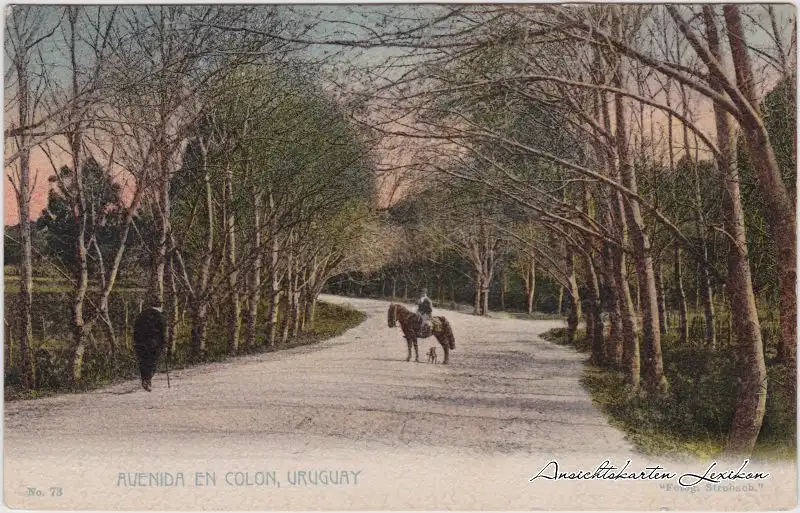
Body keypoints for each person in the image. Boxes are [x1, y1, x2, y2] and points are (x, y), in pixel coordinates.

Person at [133, 303, 167, 392]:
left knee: (143, 361)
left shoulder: (141, 315)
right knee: (152, 362)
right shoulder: (160, 316)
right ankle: (148, 380)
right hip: (154, 343)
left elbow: (135, 328)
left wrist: (136, 340)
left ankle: (145, 379)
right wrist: (164, 344)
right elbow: (163, 332)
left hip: (140, 342)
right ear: (159, 307)